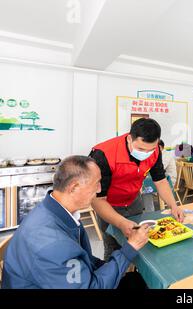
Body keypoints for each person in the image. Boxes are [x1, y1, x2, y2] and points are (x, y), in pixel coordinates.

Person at [1, 156, 150, 289]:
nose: (99, 189)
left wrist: (114, 265)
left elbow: (85, 262)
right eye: (97, 183)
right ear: (74, 187)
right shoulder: (53, 244)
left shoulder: (53, 210)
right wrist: (130, 247)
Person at [89, 118, 183, 260]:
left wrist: (173, 205)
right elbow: (97, 200)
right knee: (114, 247)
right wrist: (121, 223)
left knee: (141, 245)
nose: (146, 153)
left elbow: (161, 181)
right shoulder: (103, 154)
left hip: (134, 201)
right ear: (129, 139)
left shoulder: (155, 150)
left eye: (151, 149)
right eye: (140, 149)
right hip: (109, 206)